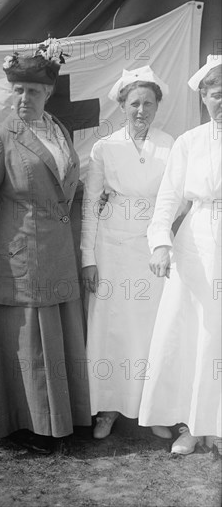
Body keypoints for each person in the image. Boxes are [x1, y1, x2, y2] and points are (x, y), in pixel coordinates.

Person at [0, 39, 91, 454]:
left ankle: (61, 416)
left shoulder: (60, 131)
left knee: (57, 336)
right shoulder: (1, 137)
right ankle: (27, 422)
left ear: (48, 92)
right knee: (27, 342)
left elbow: (65, 188)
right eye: (18, 90)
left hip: (59, 253)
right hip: (19, 257)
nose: (24, 98)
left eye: (32, 90)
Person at [81, 66, 174, 439]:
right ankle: (108, 408)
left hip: (151, 248)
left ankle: (154, 410)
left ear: (157, 106)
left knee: (150, 329)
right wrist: (88, 257)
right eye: (134, 103)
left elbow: (173, 199)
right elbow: (90, 203)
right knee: (111, 329)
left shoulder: (170, 145)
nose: (141, 111)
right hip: (112, 246)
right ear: (122, 104)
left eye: (148, 103)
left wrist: (165, 243)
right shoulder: (104, 147)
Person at [139, 55, 222, 454]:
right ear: (203, 98)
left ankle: (219, 426)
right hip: (196, 244)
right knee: (189, 331)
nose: (220, 102)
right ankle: (190, 425)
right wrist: (160, 243)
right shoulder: (189, 142)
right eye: (214, 95)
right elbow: (168, 200)